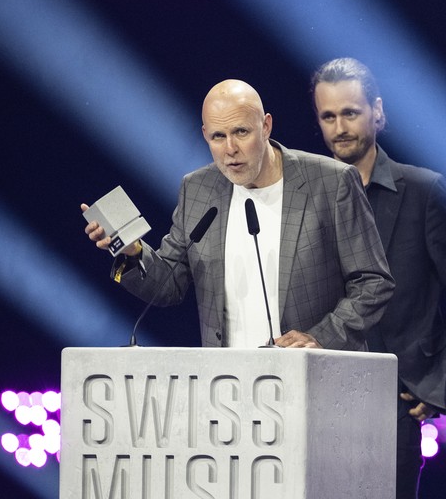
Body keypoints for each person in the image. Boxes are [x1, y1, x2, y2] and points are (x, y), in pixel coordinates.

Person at [82, 79, 394, 351]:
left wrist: (319, 337)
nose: (230, 149)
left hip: (316, 380)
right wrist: (132, 251)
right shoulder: (198, 189)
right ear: (205, 135)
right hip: (229, 386)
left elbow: (373, 282)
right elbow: (168, 286)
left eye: (241, 132)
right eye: (218, 137)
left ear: (266, 126)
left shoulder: (331, 182)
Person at [311, 57, 446, 499]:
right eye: (328, 116)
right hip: (317, 395)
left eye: (351, 113)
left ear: (377, 112)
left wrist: (440, 383)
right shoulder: (303, 197)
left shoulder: (422, 191)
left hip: (395, 397)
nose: (340, 128)